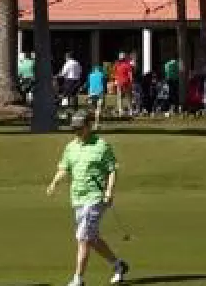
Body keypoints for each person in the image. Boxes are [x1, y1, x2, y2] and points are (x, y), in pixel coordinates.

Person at [47, 114, 129, 286]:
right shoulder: (71, 147)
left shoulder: (101, 145)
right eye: (74, 128)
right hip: (78, 197)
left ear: (88, 126)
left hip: (95, 197)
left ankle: (78, 278)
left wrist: (109, 190)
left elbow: (112, 169)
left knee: (83, 237)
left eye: (79, 128)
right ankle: (118, 264)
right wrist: (54, 183)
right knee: (91, 238)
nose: (76, 132)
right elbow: (64, 167)